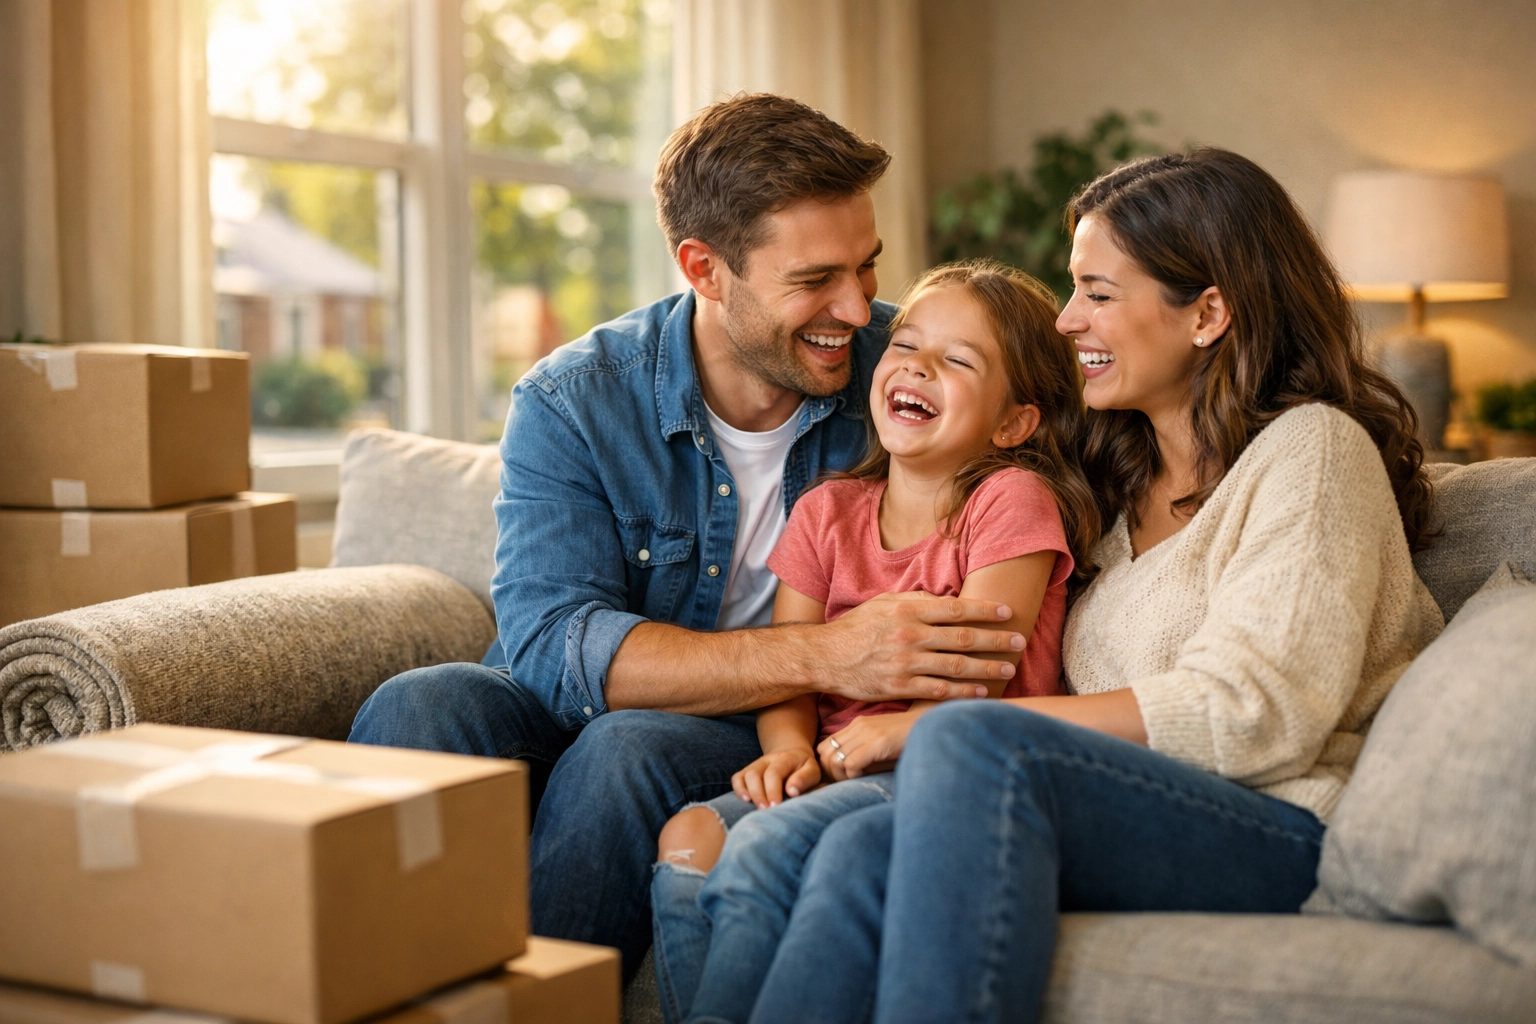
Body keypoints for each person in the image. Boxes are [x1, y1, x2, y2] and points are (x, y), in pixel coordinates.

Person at [680, 148, 1446, 1024]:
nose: (1066, 320)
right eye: (1072, 289)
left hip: (1277, 824)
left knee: (968, 743)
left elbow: (1253, 713)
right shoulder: (1113, 488)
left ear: (1208, 313)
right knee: (857, 848)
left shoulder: (1311, 451)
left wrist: (953, 726)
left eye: (1098, 293)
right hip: (1116, 804)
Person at [346, 93, 1027, 980]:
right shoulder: (575, 398)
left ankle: (540, 1006)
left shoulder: (913, 373)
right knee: (419, 703)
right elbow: (554, 649)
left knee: (627, 749)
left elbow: (1059, 427)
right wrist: (830, 653)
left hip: (770, 728)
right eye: (815, 279)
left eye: (867, 267)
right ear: (704, 268)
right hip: (673, 691)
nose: (859, 309)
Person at [646, 261, 1101, 1024]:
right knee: (689, 835)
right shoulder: (828, 512)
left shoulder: (1008, 501)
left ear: (1015, 423)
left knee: (763, 849)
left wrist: (883, 733)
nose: (918, 365)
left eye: (958, 361)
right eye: (907, 344)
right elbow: (789, 664)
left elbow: (981, 675)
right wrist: (787, 747)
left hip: (937, 772)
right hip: (835, 766)